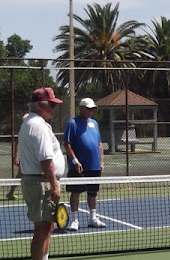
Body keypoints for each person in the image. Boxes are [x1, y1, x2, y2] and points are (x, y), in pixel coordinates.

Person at [19, 87, 66, 260]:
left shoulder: (32, 123)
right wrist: (54, 185)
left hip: (41, 181)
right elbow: (46, 160)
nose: (54, 109)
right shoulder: (38, 126)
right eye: (51, 105)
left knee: (48, 227)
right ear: (41, 105)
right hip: (42, 183)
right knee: (42, 230)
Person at [62, 98, 106, 231]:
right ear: (81, 108)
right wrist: (75, 161)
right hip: (78, 166)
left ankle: (93, 218)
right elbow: (67, 144)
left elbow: (99, 144)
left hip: (94, 165)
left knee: (93, 192)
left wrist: (101, 161)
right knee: (76, 192)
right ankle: (75, 220)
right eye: (89, 109)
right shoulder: (72, 123)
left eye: (93, 109)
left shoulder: (94, 123)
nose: (91, 111)